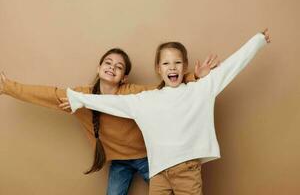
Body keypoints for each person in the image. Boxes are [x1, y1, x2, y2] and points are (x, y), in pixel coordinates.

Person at [66, 29, 271, 195]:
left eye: (177, 63)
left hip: (187, 171)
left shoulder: (199, 89)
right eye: (166, 63)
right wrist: (77, 99)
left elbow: (230, 67)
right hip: (158, 174)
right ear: (158, 68)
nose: (172, 67)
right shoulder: (146, 99)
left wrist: (257, 41)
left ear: (185, 67)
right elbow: (112, 103)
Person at [0, 48, 219, 195]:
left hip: (148, 157)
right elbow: (48, 94)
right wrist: (8, 87)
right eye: (108, 62)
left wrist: (195, 77)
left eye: (119, 66)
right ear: (99, 68)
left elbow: (164, 88)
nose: (112, 67)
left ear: (123, 77)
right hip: (119, 162)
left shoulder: (133, 93)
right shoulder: (81, 98)